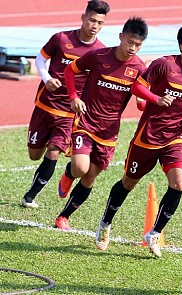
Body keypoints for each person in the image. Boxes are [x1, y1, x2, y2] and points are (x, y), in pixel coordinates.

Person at [94, 22, 182, 255]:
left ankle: (154, 233)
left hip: (176, 137)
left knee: (178, 184)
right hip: (148, 137)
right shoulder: (163, 65)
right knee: (128, 182)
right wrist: (156, 99)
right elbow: (136, 87)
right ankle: (105, 223)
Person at [54, 17, 148, 231]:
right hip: (86, 121)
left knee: (90, 177)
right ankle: (69, 173)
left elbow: (140, 98)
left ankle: (63, 217)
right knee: (80, 167)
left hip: (109, 131)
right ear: (121, 37)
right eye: (130, 42)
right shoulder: (98, 56)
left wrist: (146, 105)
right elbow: (71, 71)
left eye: (138, 45)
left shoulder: (139, 68)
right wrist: (73, 96)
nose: (132, 48)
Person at [21, 0, 110, 208]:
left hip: (69, 113)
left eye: (100, 22)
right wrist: (46, 79)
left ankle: (30, 197)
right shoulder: (61, 39)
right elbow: (41, 59)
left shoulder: (100, 52)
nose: (95, 26)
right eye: (92, 20)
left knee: (54, 151)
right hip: (45, 106)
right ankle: (37, 175)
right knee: (35, 155)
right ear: (83, 18)